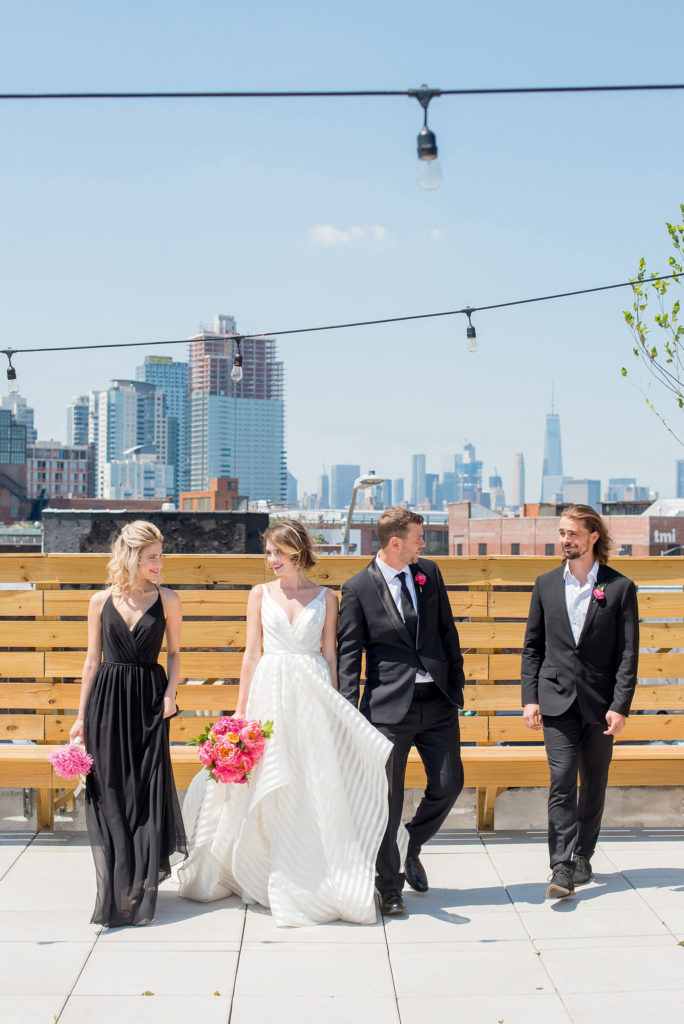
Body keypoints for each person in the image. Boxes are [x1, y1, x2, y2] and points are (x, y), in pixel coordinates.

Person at [178, 519, 392, 927]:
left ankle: (310, 867)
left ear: (297, 551)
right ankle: (258, 864)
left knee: (311, 778)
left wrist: (335, 708)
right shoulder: (259, 594)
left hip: (312, 696)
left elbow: (330, 656)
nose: (271, 560)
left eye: (278, 552)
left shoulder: (328, 598)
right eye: (268, 553)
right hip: (269, 691)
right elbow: (251, 653)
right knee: (267, 777)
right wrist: (240, 710)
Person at [337, 507, 466, 916]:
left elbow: (448, 631)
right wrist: (348, 712)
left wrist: (456, 687)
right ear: (396, 543)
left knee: (449, 784)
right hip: (388, 709)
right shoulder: (357, 588)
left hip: (438, 703)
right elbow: (348, 654)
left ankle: (412, 842)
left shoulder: (429, 573)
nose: (422, 545)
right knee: (387, 802)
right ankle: (389, 887)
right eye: (417, 538)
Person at [70, 520, 186, 926]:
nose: (158, 564)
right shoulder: (100, 601)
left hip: (151, 704)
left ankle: (139, 886)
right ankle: (120, 888)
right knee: (112, 794)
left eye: (160, 556)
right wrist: (80, 718)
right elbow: (90, 662)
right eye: (151, 557)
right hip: (107, 702)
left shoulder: (168, 599)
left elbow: (174, 654)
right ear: (132, 557)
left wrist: (171, 693)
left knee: (146, 793)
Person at [521, 504, 639, 899]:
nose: (565, 540)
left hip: (600, 702)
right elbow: (532, 648)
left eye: (572, 533)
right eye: (561, 533)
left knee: (593, 782)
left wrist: (620, 705)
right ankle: (560, 864)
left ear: (593, 537)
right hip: (555, 700)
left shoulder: (620, 588)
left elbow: (627, 654)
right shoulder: (545, 584)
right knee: (561, 778)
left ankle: (583, 855)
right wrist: (529, 699)